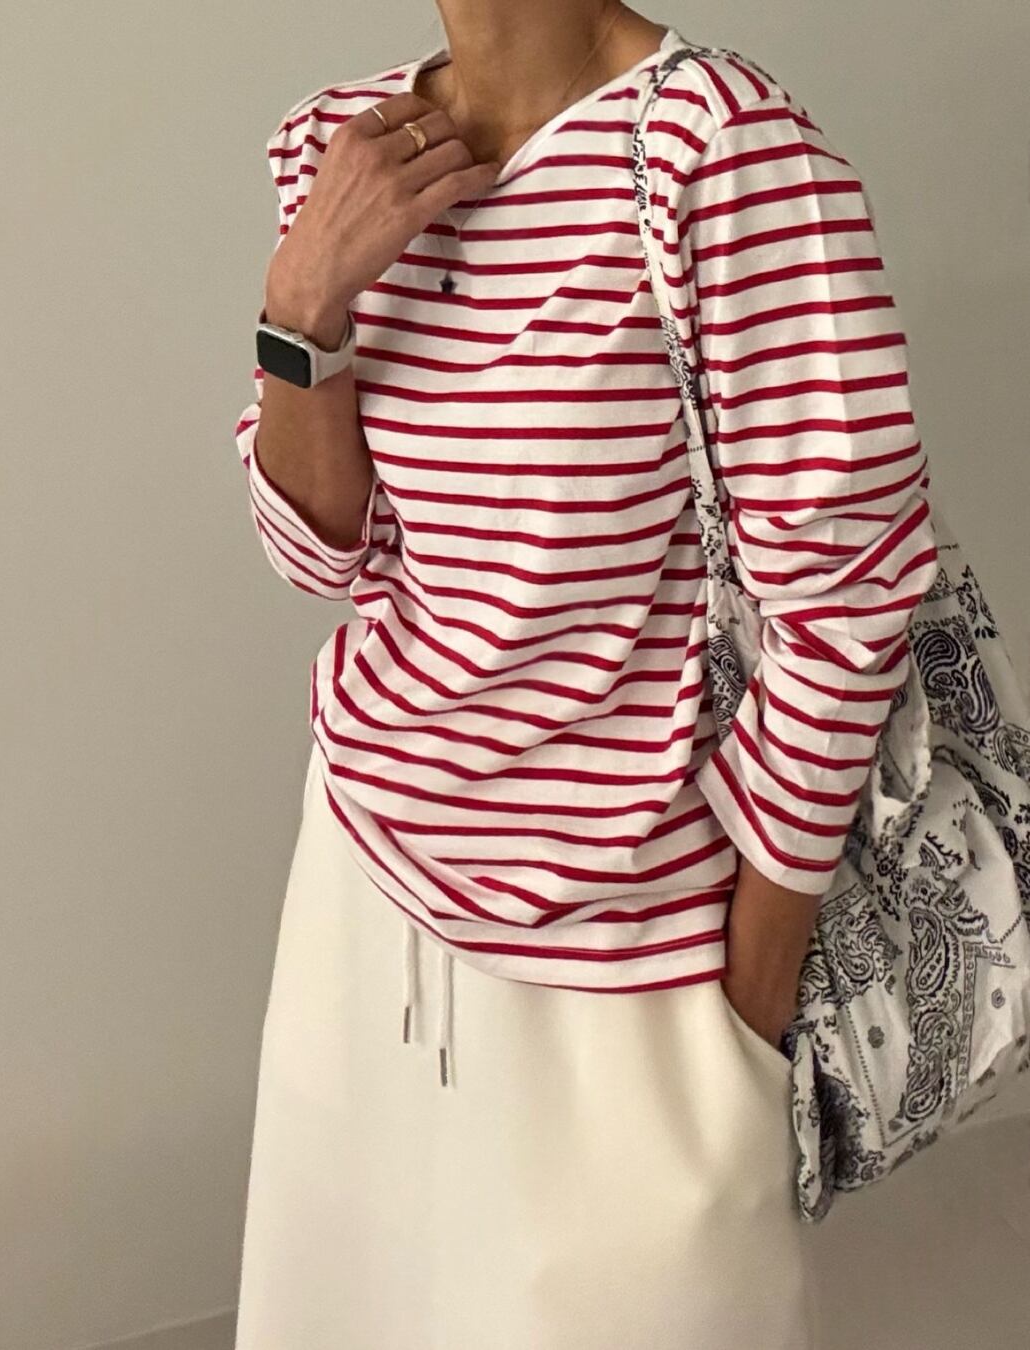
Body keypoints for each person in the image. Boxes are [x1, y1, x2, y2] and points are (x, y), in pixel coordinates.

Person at [231, 3, 939, 1347]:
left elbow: (848, 605)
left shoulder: (719, 151)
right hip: (365, 896)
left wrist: (747, 1005)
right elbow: (321, 557)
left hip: (639, 944)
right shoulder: (339, 144)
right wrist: (300, 305)